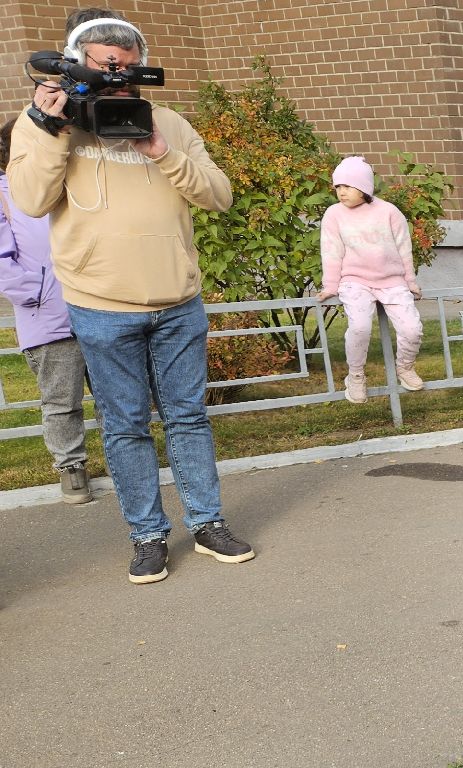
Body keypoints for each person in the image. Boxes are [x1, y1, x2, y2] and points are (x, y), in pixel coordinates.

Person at [9, 9, 252, 584]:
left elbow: (220, 195)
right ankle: (147, 535)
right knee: (124, 428)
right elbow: (30, 200)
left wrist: (161, 149)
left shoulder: (166, 120)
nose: (117, 73)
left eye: (127, 64)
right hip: (100, 304)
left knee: (188, 418)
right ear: (77, 63)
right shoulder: (45, 123)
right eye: (103, 63)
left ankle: (208, 522)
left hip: (177, 301)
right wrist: (54, 130)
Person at [0, 117, 90, 504]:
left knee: (117, 395)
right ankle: (72, 469)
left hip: (100, 304)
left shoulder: (66, 181)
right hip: (49, 317)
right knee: (61, 399)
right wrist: (39, 292)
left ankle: (128, 465)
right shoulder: (4, 193)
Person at [317, 156, 422, 405]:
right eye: (338, 187)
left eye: (347, 186)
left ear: (364, 187)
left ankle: (405, 368)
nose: (341, 192)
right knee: (360, 327)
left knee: (412, 328)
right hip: (355, 281)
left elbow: (403, 248)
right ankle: (355, 377)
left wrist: (410, 281)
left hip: (392, 281)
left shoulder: (388, 212)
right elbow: (331, 252)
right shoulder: (334, 215)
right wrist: (330, 285)